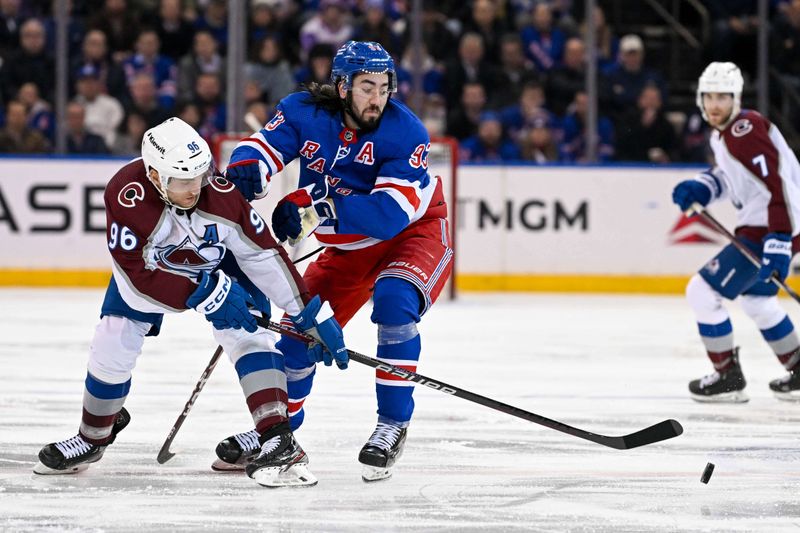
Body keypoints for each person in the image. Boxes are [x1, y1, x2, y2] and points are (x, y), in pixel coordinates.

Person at [33, 117, 347, 488]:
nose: (194, 189)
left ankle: (277, 436)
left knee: (248, 333)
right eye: (182, 181)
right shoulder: (126, 194)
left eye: (199, 176)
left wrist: (308, 312)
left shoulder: (220, 194)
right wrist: (207, 294)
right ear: (154, 176)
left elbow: (262, 255)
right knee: (113, 336)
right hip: (152, 276)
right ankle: (93, 436)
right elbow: (139, 274)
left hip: (221, 262)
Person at [216, 40, 453, 482]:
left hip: (411, 235)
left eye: (384, 87)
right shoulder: (304, 111)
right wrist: (249, 168)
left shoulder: (406, 133)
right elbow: (265, 146)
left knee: (395, 300)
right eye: (367, 87)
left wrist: (315, 205)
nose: (377, 98)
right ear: (342, 86)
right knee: (298, 333)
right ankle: (279, 432)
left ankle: (392, 425)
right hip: (346, 247)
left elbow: (388, 216)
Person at [671, 62, 800, 403]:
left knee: (701, 292)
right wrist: (703, 186)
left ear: (736, 98)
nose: (715, 104)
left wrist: (778, 243)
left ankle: (727, 377)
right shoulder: (727, 133)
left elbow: (778, 185)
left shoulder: (745, 130)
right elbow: (734, 179)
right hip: (775, 228)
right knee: (758, 299)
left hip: (770, 230)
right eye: (709, 96)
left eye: (723, 97)